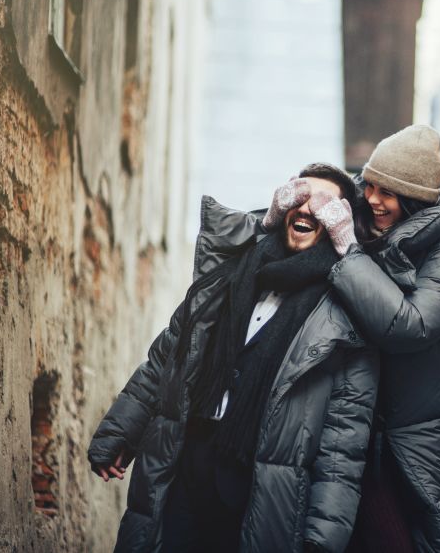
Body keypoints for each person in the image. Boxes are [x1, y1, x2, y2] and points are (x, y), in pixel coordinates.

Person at [87, 163, 378, 553]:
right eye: (300, 195)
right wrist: (121, 431)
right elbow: (167, 357)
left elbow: (344, 442)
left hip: (256, 493)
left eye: (326, 204)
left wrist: (323, 537)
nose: (308, 209)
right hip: (184, 470)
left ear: (340, 224)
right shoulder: (229, 276)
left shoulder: (341, 317)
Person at [307, 125, 440, 553]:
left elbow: (410, 325)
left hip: (412, 442)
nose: (372, 199)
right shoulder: (369, 223)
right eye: (371, 186)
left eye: (387, 192)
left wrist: (349, 252)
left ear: (416, 198)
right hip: (352, 430)